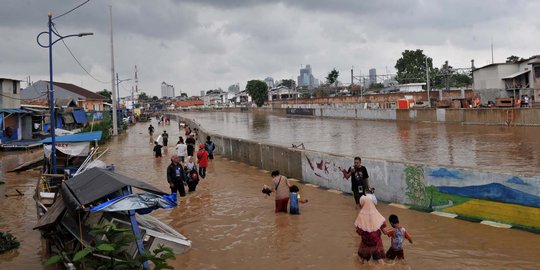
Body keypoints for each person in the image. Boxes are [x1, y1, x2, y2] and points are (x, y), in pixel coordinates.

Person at [355, 195, 386, 264]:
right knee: (379, 258)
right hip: (376, 240)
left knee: (362, 258)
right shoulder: (375, 212)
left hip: (366, 240)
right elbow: (382, 224)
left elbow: (359, 231)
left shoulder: (361, 214)